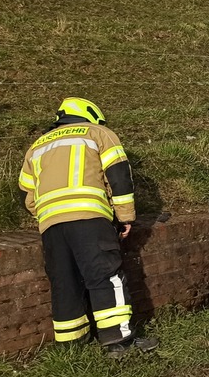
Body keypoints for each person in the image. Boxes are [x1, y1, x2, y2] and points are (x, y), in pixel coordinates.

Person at [18, 97, 159, 357]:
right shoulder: (99, 133)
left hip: (51, 225)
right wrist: (125, 216)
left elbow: (26, 193)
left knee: (64, 281)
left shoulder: (37, 146)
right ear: (91, 114)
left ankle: (72, 346)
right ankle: (119, 342)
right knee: (105, 276)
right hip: (90, 219)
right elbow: (119, 177)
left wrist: (46, 214)